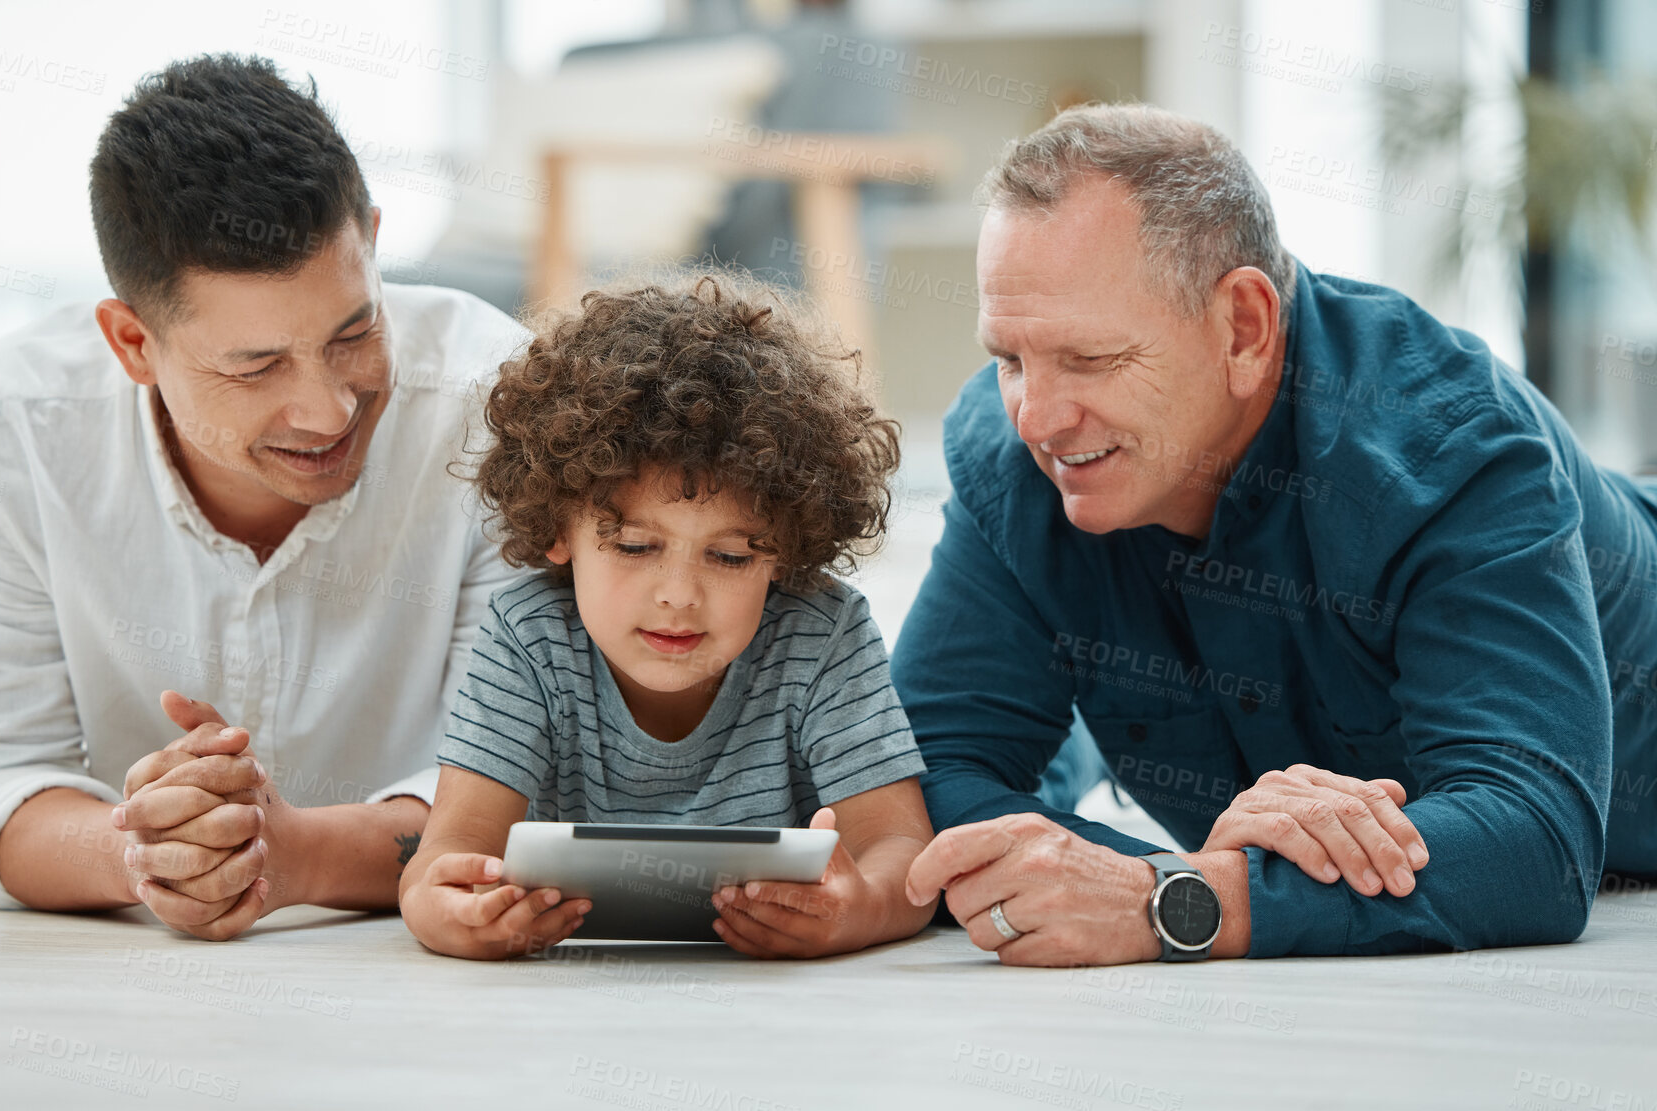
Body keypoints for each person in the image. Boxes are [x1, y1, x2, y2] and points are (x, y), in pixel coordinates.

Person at [895, 103, 1657, 965]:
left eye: (1092, 359)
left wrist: (1176, 901)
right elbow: (921, 779)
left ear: (1244, 328)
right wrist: (1159, 877)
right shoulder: (1014, 464)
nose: (1037, 417)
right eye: (1009, 358)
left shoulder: (1446, 449)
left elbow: (1534, 839)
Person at [0, 55, 526, 940]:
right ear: (132, 344)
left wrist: (298, 852)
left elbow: (524, 773)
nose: (329, 408)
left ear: (375, 245)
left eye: (355, 332)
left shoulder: (498, 409)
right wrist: (144, 854)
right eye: (256, 366)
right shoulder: (1, 436)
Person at [399, 274, 936, 960]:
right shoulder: (527, 635)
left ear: (787, 553)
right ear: (557, 531)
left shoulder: (822, 632)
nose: (679, 595)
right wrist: (445, 910)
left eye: (733, 557)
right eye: (634, 546)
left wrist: (862, 908)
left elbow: (899, 848)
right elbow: (448, 852)